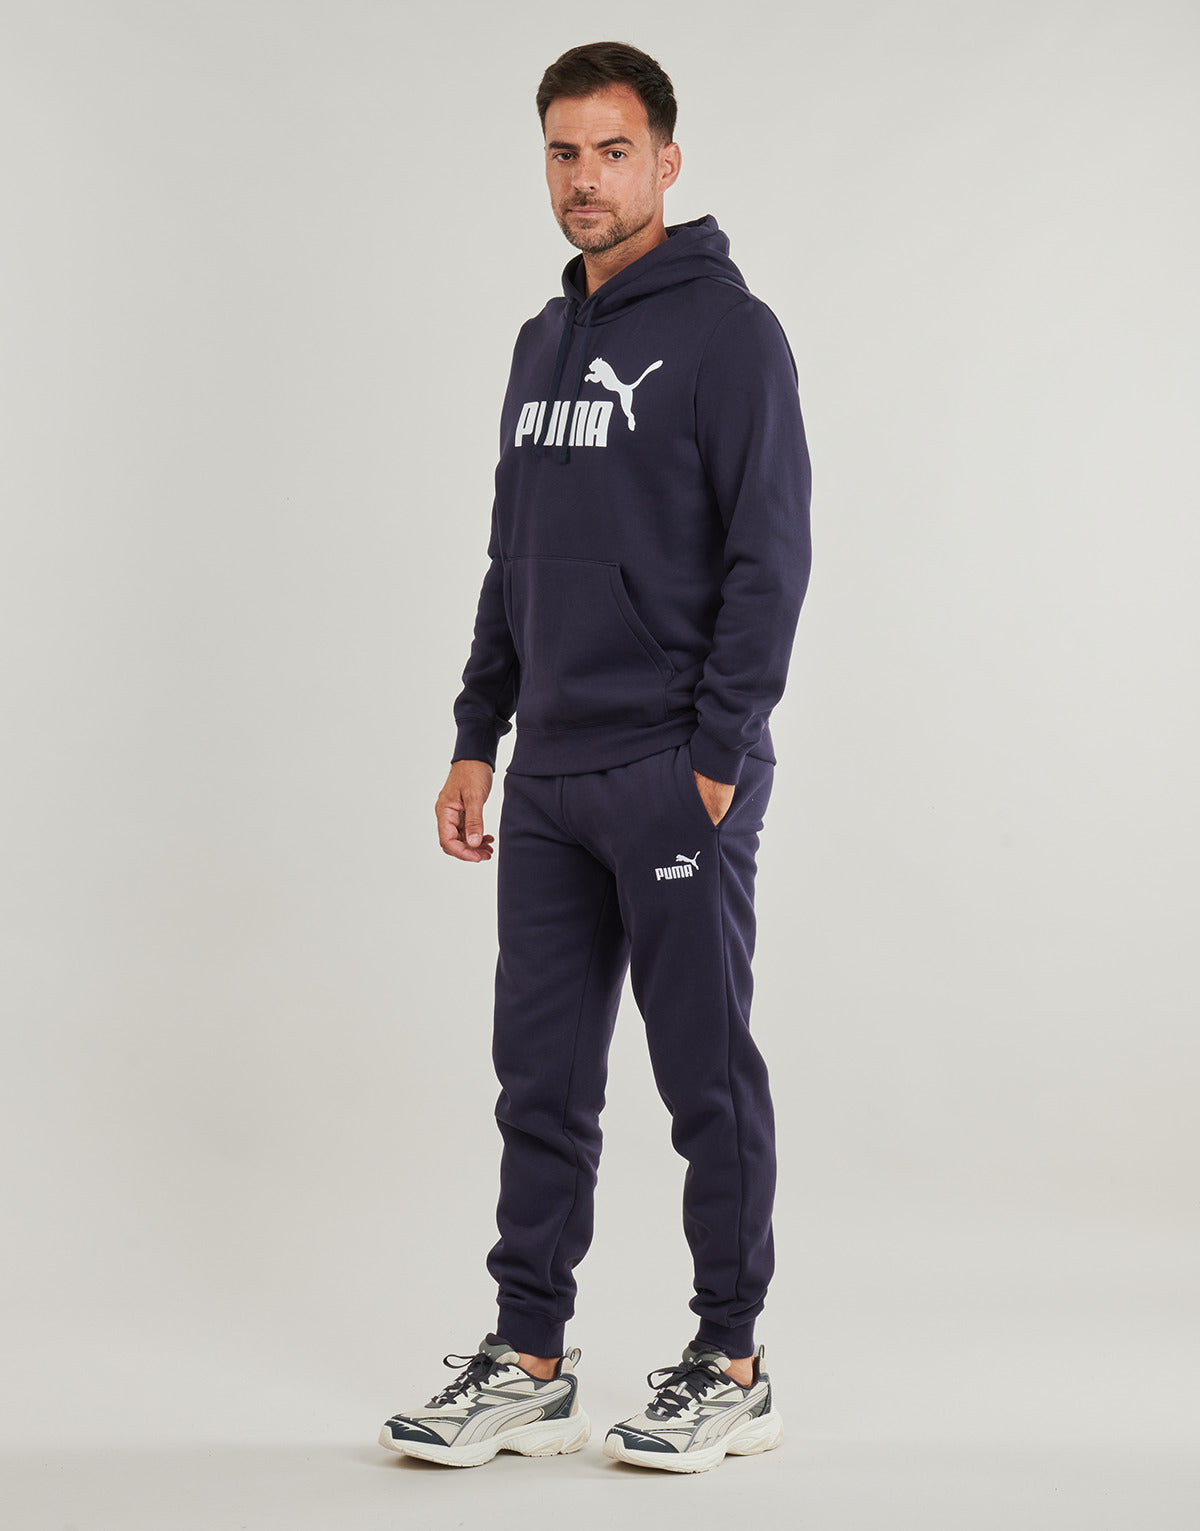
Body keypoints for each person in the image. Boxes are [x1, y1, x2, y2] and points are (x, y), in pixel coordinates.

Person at [380, 39, 812, 1474]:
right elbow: (514, 554)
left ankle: (732, 1362)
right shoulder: (540, 339)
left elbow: (771, 559)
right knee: (542, 1083)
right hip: (551, 777)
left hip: (673, 769)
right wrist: (476, 735)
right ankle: (529, 1357)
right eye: (564, 152)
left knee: (705, 1078)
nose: (585, 178)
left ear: (667, 161)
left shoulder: (731, 335)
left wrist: (716, 753)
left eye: (613, 151)